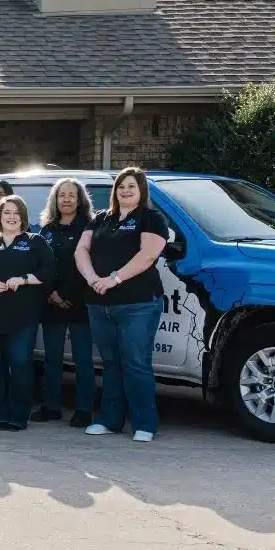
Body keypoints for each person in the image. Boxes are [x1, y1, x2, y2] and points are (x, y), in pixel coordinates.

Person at [76, 167, 168, 442]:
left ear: (142, 190)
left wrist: (113, 279)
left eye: (131, 186)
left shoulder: (151, 218)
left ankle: (145, 424)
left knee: (136, 363)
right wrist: (93, 279)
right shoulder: (101, 218)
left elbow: (148, 255)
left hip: (137, 303)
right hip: (99, 301)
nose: (125, 191)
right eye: (121, 186)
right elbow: (81, 249)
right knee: (111, 363)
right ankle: (109, 420)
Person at [0, 194, 54, 431]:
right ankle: (1, 414)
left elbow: (49, 272)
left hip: (22, 315)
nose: (12, 217)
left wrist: (24, 279)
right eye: (7, 212)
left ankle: (19, 415)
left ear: (23, 217)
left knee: (19, 363)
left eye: (16, 213)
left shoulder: (35, 242)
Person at [37, 177, 95, 426]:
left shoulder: (90, 227)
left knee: (83, 359)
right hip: (51, 303)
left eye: (72, 195)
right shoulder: (47, 230)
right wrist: (51, 293)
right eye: (62, 195)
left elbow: (88, 266)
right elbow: (40, 264)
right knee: (52, 358)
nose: (67, 199)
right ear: (55, 199)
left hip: (79, 302)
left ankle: (83, 410)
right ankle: (51, 406)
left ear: (80, 199)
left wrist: (67, 295)